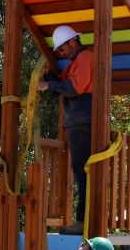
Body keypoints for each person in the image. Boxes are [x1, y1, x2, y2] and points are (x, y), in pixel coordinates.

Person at [38, 24, 93, 235]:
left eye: (62, 49)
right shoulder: (75, 62)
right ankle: (82, 220)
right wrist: (50, 78)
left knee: (82, 172)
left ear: (73, 41)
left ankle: (82, 221)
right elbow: (63, 86)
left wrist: (48, 85)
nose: (61, 53)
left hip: (82, 121)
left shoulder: (86, 57)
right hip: (78, 121)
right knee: (81, 171)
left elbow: (75, 87)